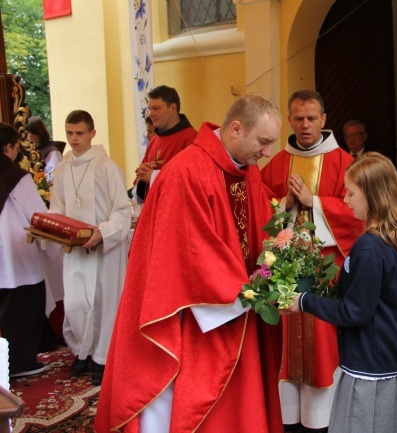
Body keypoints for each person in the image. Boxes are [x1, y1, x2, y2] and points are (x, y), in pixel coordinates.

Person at [95, 93, 285, 433]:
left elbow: (261, 229)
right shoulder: (187, 171)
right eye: (264, 142)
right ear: (237, 129)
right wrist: (249, 292)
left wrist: (282, 256)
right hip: (194, 317)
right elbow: (190, 254)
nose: (268, 152)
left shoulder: (247, 171)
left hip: (239, 312)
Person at [285, 152, 397, 433]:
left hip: (371, 365)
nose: (344, 200)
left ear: (372, 194)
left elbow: (354, 312)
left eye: (350, 193)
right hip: (390, 354)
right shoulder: (391, 235)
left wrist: (302, 300)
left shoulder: (369, 247)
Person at [260, 89, 364, 433]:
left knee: (321, 346)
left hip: (326, 273)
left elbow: (356, 214)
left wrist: (314, 201)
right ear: (290, 120)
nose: (305, 125)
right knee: (285, 346)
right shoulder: (276, 163)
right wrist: (286, 204)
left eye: (311, 118)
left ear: (324, 120)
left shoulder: (344, 164)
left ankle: (322, 423)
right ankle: (287, 420)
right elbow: (261, 212)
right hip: (283, 271)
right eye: (298, 118)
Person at [49, 110, 131, 386]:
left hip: (104, 248)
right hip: (75, 248)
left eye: (80, 133)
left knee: (104, 303)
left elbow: (122, 210)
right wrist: (57, 230)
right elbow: (56, 207)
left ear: (92, 133)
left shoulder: (107, 166)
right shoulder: (61, 169)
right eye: (69, 133)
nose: (74, 139)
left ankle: (101, 358)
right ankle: (82, 352)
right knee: (76, 304)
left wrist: (102, 232)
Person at [0, 122, 55, 377]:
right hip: (15, 252)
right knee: (23, 306)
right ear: (9, 147)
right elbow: (37, 215)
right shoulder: (16, 176)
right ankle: (19, 363)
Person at [134, 85, 197, 202]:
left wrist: (153, 176)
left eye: (156, 108)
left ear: (173, 108)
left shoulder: (192, 140)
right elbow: (142, 190)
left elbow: (192, 183)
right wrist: (142, 174)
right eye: (150, 109)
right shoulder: (154, 141)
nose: (151, 114)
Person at [25, 116, 65, 184]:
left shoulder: (52, 151)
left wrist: (38, 178)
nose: (25, 137)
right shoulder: (28, 152)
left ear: (38, 133)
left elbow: (57, 176)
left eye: (27, 133)